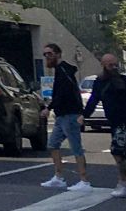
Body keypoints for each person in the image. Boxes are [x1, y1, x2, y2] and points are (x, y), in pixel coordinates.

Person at [82, 53, 126, 199]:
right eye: (110, 65)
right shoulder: (100, 82)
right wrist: (84, 115)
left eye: (115, 64)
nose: (114, 67)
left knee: (118, 151)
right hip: (114, 123)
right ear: (103, 65)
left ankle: (124, 183)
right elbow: (93, 100)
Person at [40, 44, 91, 192]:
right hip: (62, 115)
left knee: (76, 147)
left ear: (58, 54)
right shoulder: (60, 70)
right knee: (53, 144)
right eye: (45, 54)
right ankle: (59, 177)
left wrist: (49, 108)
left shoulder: (63, 70)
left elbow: (63, 93)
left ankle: (84, 181)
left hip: (70, 115)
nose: (47, 57)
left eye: (49, 54)